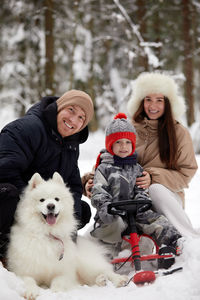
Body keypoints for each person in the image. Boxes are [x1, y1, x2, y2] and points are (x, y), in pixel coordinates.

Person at [83, 72, 199, 239]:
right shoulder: (129, 128)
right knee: (95, 235)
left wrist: (153, 176)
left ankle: (188, 239)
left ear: (168, 103)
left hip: (165, 198)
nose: (153, 105)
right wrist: (92, 181)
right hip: (127, 196)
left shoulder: (178, 132)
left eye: (159, 100)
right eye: (148, 99)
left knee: (154, 189)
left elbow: (186, 172)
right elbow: (109, 159)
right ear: (140, 101)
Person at [0, 89, 94, 259]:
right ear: (59, 107)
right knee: (7, 193)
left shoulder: (71, 143)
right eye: (71, 110)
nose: (74, 120)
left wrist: (69, 227)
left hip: (43, 207)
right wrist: (34, 204)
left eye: (81, 117)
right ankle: (4, 249)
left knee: (82, 210)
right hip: (18, 200)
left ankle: (48, 244)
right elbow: (5, 170)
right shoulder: (27, 129)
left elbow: (72, 184)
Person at [90, 113, 181, 268]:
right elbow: (98, 191)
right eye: (118, 142)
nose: (123, 146)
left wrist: (141, 200)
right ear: (110, 145)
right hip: (113, 212)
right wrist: (106, 206)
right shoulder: (104, 169)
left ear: (133, 145)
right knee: (115, 226)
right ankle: (106, 254)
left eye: (127, 142)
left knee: (158, 221)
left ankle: (169, 246)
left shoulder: (136, 168)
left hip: (136, 211)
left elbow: (141, 189)